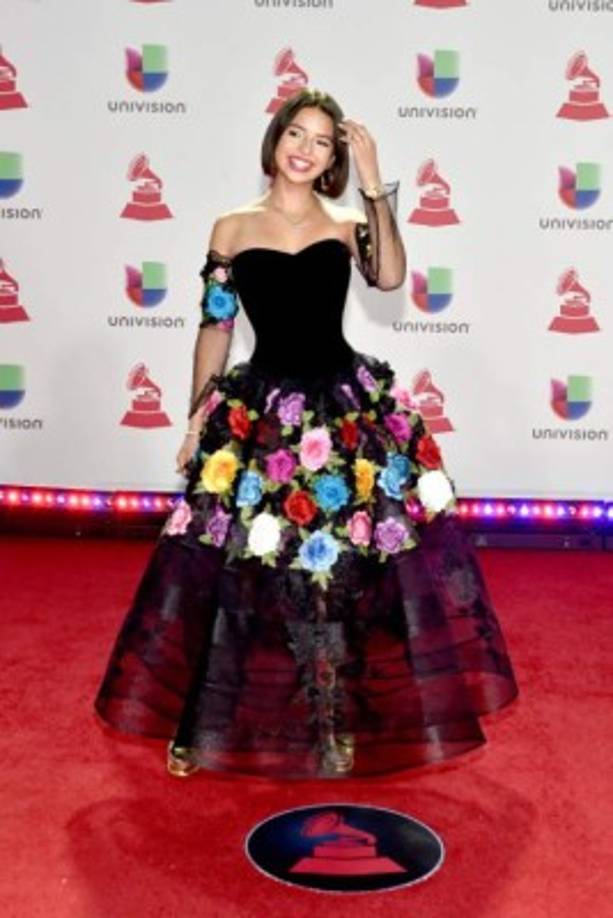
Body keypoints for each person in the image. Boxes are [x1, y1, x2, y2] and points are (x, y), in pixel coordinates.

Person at [94, 88, 519, 780]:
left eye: (323, 142)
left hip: (343, 411)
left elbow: (389, 276)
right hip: (260, 413)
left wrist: (374, 185)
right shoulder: (232, 227)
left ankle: (334, 720)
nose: (306, 149)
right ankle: (201, 723)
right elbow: (216, 326)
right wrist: (197, 416)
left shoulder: (346, 222)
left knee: (340, 577)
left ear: (333, 159)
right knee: (231, 571)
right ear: (276, 138)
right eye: (297, 133)